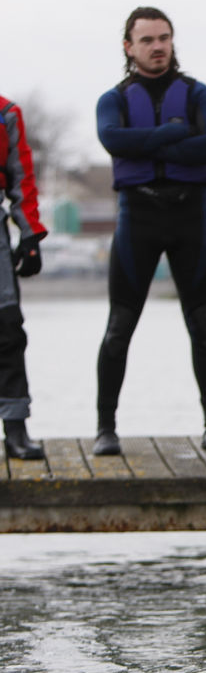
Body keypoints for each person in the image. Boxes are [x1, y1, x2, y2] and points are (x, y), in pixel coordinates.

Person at [94, 7, 206, 456]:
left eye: (164, 38)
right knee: (119, 327)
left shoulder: (199, 93)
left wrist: (147, 141)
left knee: (202, 326)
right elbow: (113, 140)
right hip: (139, 216)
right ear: (129, 47)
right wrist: (173, 135)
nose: (158, 47)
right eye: (148, 40)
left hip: (190, 217)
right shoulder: (112, 99)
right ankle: (106, 429)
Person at [0, 95, 48, 460]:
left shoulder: (6, 113)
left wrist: (30, 235)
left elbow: (21, 175)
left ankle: (15, 430)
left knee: (8, 330)